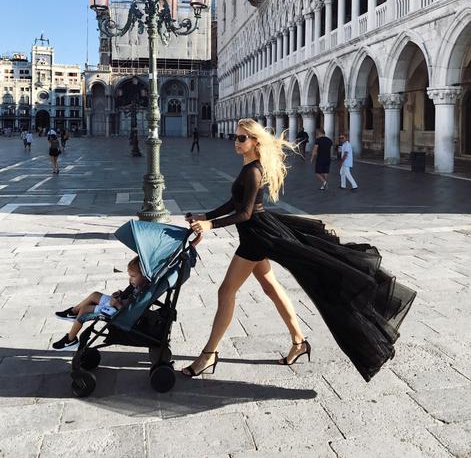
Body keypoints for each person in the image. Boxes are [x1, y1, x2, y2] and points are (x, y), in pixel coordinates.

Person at [181, 118, 416, 382]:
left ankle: (209, 354)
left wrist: (210, 224)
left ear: (255, 141)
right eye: (236, 137)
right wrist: (206, 215)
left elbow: (245, 213)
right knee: (271, 288)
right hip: (258, 233)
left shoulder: (253, 171)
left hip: (256, 237)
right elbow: (235, 202)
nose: (236, 142)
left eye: (242, 138)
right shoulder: (249, 167)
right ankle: (299, 342)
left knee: (226, 291)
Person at [52, 257, 149, 350]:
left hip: (118, 312)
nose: (130, 279)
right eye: (129, 275)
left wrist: (117, 304)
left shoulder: (143, 292)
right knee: (94, 295)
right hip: (117, 304)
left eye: (133, 276)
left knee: (85, 310)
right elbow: (128, 296)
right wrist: (119, 294)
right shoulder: (139, 284)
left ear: (144, 275)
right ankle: (73, 312)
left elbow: (131, 311)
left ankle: (70, 340)